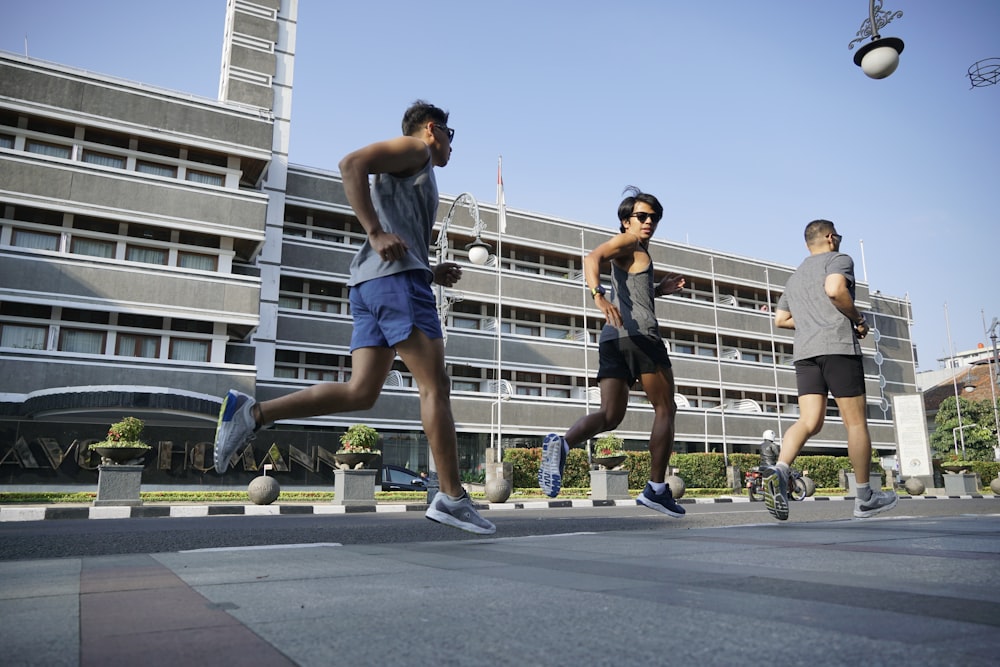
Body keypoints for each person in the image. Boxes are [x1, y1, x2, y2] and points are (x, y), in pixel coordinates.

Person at [212, 100, 495, 535]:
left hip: (373, 283)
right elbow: (351, 164)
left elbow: (394, 224)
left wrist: (430, 268)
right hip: (395, 284)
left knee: (361, 391)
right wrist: (376, 233)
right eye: (451, 138)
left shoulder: (415, 168)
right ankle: (453, 497)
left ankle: (253, 413)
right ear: (433, 130)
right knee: (435, 385)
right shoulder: (416, 149)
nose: (450, 149)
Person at [540, 187, 686, 517]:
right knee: (665, 408)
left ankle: (561, 445)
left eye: (654, 217)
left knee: (610, 416)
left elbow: (631, 294)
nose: (649, 222)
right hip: (641, 338)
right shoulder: (629, 242)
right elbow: (591, 257)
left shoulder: (636, 252)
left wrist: (658, 290)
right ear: (625, 221)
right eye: (642, 216)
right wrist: (597, 295)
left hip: (612, 340)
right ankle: (656, 490)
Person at [768, 219, 897, 521]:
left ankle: (780, 469)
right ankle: (864, 497)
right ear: (830, 237)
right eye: (838, 236)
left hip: (805, 354)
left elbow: (781, 319)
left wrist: (813, 322)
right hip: (837, 348)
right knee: (855, 424)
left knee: (809, 421)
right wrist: (858, 319)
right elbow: (835, 289)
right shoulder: (839, 259)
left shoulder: (796, 276)